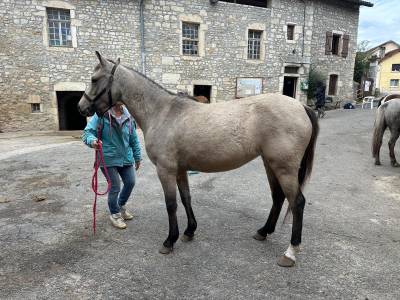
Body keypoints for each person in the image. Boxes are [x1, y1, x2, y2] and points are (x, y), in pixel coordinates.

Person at [82, 102, 141, 229]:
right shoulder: (101, 115)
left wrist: (137, 156)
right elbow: (87, 133)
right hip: (107, 158)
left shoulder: (128, 115)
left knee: (130, 182)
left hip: (126, 157)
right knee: (115, 187)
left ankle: (120, 205)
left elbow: (133, 139)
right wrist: (93, 141)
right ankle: (115, 214)